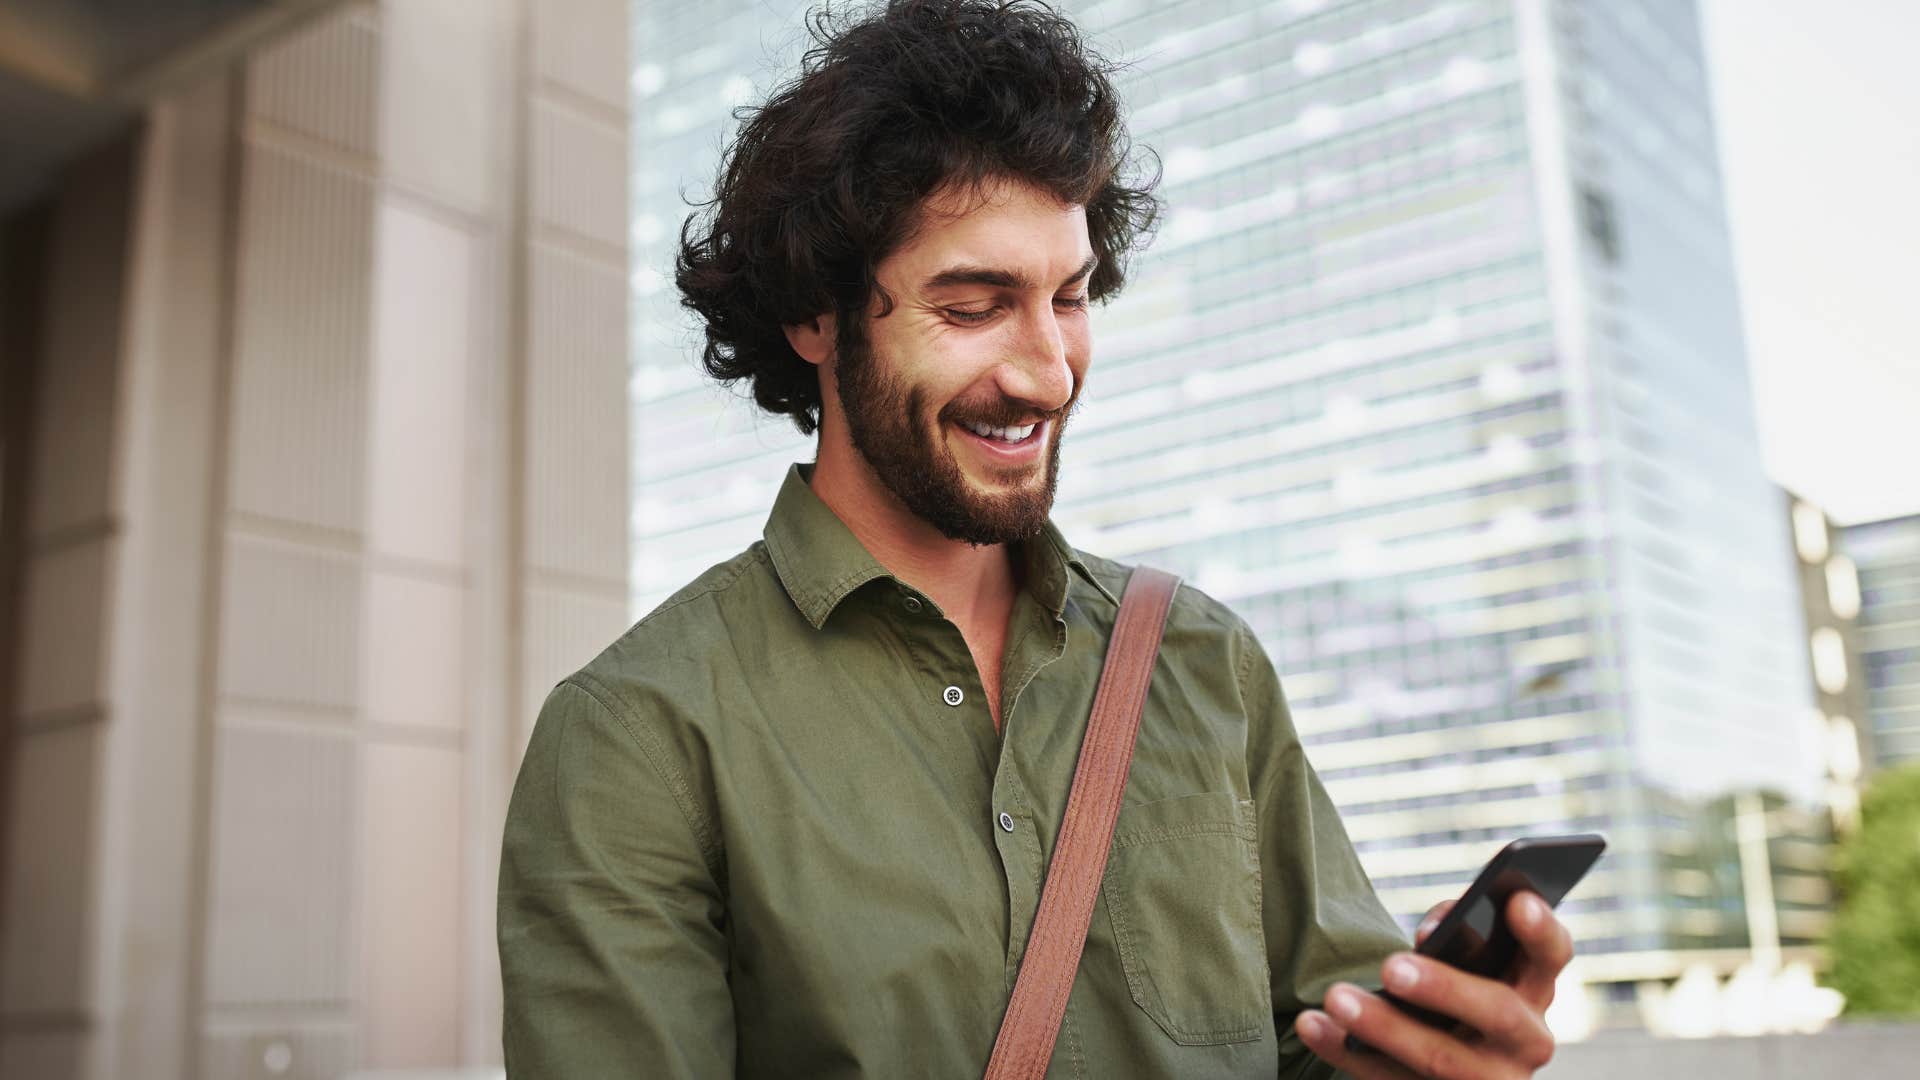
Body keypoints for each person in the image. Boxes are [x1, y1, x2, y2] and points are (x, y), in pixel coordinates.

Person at [497, 2, 1572, 1077]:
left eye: (1071, 298)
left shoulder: (1207, 664)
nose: (1049, 371)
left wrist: (1431, 1054)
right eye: (973, 307)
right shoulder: (635, 737)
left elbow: (1314, 1050)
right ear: (816, 317)